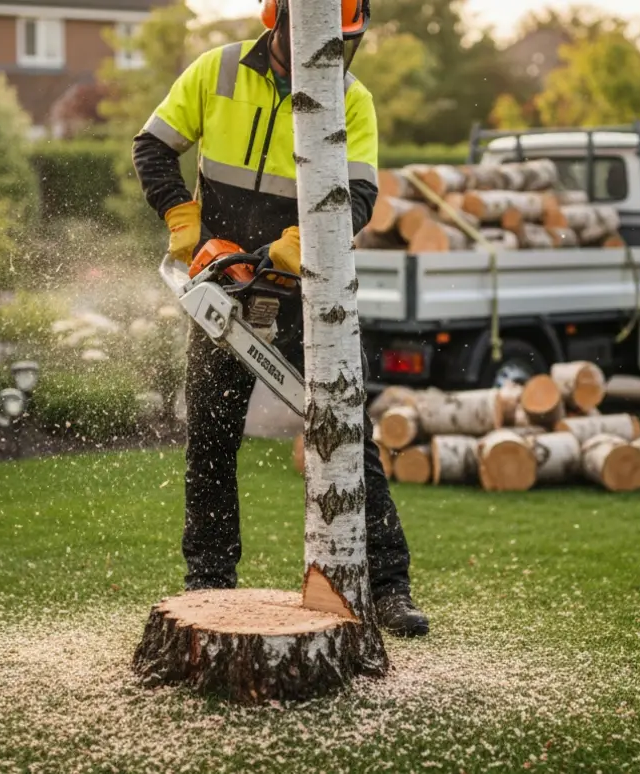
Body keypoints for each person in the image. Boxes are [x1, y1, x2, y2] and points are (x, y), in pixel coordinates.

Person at [132, 0, 430, 637]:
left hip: (305, 296)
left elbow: (361, 195)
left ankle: (388, 587)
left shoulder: (351, 99)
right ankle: (208, 583)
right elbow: (153, 148)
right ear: (279, 19)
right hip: (222, 287)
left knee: (347, 433)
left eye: (338, 40)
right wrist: (182, 218)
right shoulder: (216, 71)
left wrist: (306, 240)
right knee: (210, 440)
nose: (322, 49)